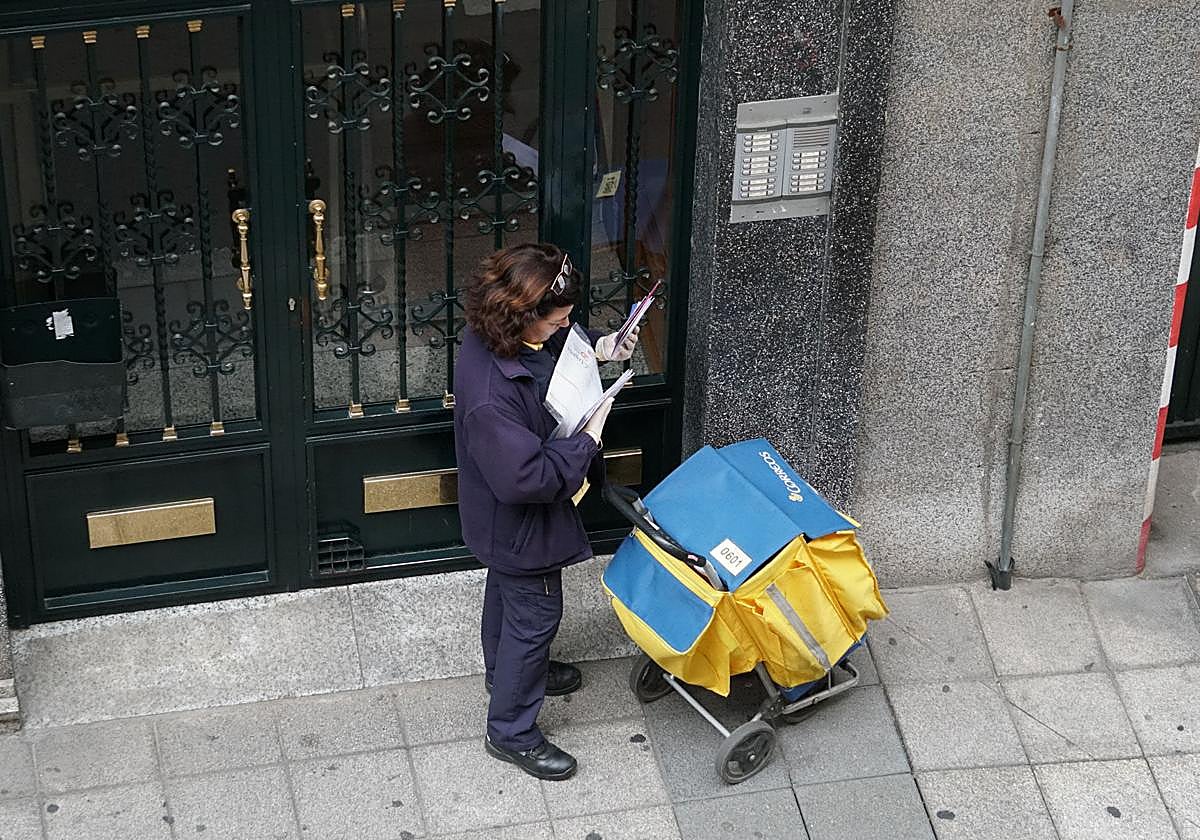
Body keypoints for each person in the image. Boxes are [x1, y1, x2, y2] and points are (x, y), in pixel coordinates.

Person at [454, 242, 640, 781]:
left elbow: (547, 360)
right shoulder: (492, 397)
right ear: (523, 313)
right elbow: (528, 478)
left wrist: (600, 350)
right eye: (556, 321)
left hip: (499, 524)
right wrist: (587, 442)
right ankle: (510, 730)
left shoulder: (494, 336)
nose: (562, 329)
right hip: (519, 523)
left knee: (507, 597)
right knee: (535, 616)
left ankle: (506, 674)